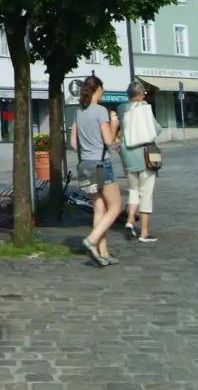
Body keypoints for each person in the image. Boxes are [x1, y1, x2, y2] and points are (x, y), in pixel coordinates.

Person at [74, 76, 124, 266]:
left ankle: (103, 254)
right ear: (99, 89)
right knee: (115, 207)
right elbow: (109, 140)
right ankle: (92, 240)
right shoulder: (101, 111)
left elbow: (73, 142)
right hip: (101, 163)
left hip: (85, 164)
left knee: (99, 208)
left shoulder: (79, 112)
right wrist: (115, 125)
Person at [118, 80, 160, 243]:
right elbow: (156, 129)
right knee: (146, 193)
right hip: (143, 154)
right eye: (143, 94)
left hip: (128, 155)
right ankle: (144, 232)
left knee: (133, 190)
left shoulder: (121, 109)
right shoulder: (144, 108)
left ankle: (130, 221)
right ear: (139, 94)